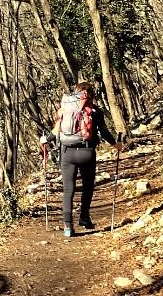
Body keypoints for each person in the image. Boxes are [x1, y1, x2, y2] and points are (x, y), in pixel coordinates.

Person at [48, 81, 119, 238]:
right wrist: (116, 144)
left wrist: (45, 140)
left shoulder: (65, 111)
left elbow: (55, 132)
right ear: (91, 95)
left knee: (68, 190)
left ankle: (68, 226)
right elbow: (105, 132)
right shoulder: (94, 111)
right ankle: (84, 217)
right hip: (87, 152)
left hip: (67, 153)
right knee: (88, 186)